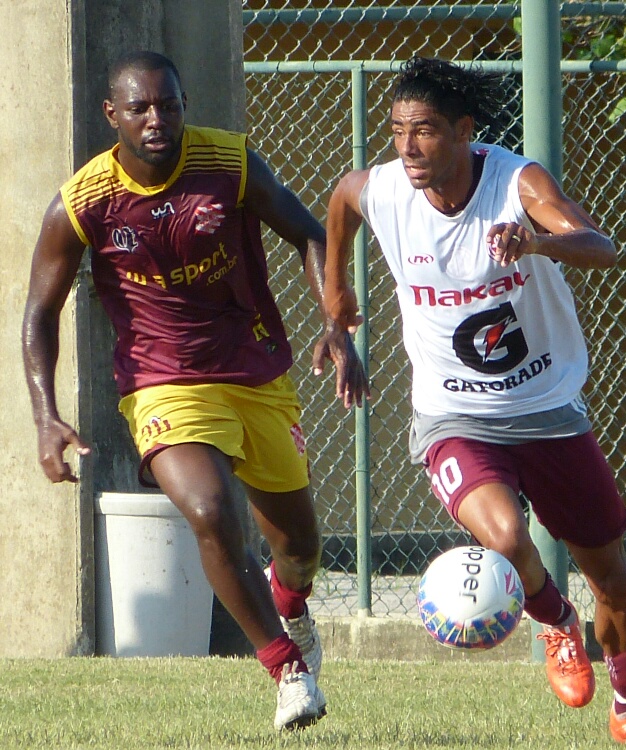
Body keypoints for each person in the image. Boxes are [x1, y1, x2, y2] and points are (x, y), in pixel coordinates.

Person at [323, 57, 626, 747]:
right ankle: (554, 622)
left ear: (464, 130)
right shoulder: (384, 191)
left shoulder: (516, 181)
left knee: (613, 581)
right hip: (455, 417)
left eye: (425, 131)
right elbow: (341, 202)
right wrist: (337, 304)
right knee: (508, 537)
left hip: (547, 411)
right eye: (397, 131)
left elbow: (602, 246)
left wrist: (537, 242)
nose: (408, 147)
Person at [22, 51, 368, 729]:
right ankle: (286, 671)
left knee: (299, 549)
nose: (158, 119)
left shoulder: (230, 163)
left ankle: (291, 611)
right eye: (142, 108)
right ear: (112, 115)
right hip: (161, 383)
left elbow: (307, 234)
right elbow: (39, 311)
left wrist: (336, 322)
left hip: (255, 371)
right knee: (211, 512)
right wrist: (45, 416)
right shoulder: (82, 202)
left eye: (170, 104)